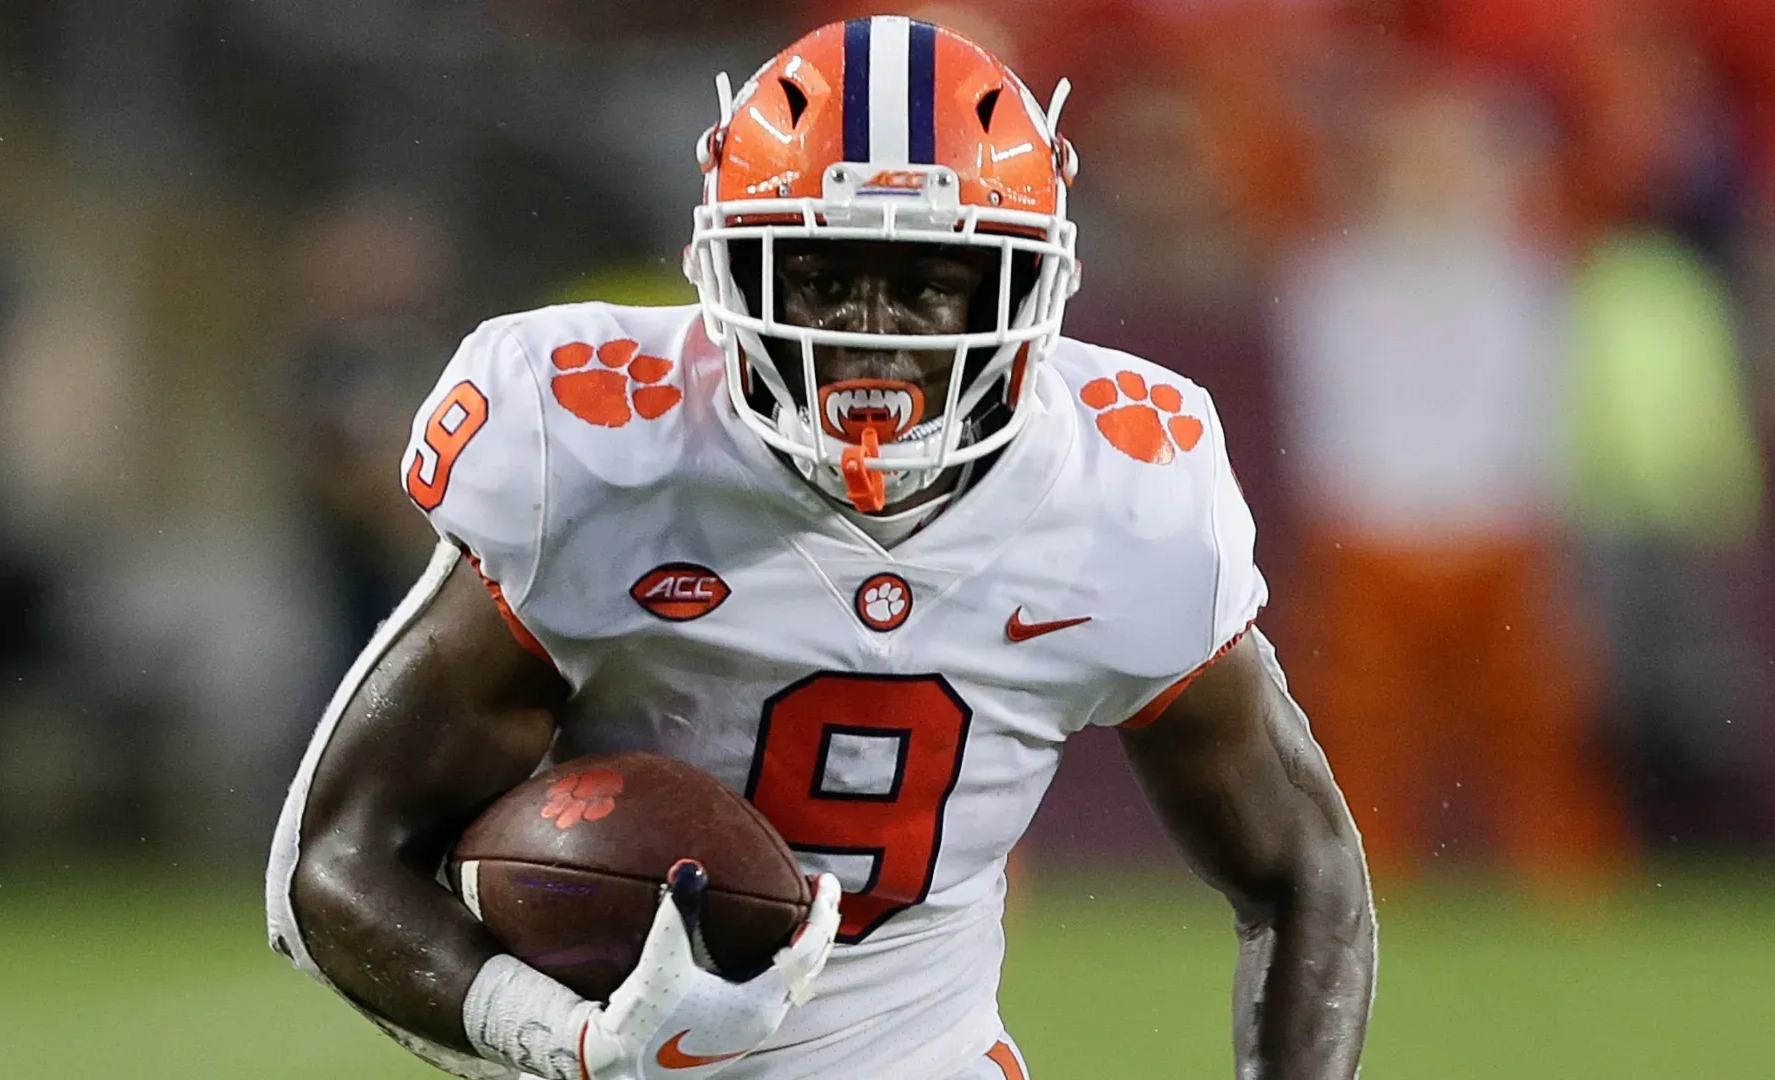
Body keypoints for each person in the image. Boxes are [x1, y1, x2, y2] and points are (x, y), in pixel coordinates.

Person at [266, 18, 1374, 1080]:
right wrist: (570, 1040)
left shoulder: (1124, 490)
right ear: (732, 275)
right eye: (822, 276)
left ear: (1025, 291)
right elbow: (334, 860)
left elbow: (1302, 872)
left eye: (927, 286)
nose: (866, 335)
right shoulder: (596, 453)